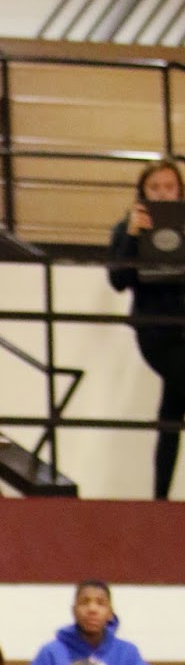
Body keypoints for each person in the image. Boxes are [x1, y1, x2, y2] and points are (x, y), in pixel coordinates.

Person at [107, 159, 185, 500]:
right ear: (142, 192)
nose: (163, 194)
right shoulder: (126, 228)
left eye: (169, 187)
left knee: (172, 412)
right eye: (155, 188)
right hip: (157, 334)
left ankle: (160, 499)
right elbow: (118, 280)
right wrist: (133, 235)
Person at [28, 579, 160, 665]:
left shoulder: (129, 654)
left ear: (110, 612)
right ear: (74, 610)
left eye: (100, 603)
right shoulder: (50, 654)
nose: (92, 609)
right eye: (84, 602)